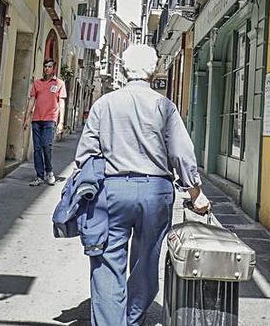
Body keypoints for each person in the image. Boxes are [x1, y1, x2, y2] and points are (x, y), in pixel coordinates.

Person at [75, 44, 210, 326]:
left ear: (124, 70)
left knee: (107, 261)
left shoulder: (104, 104)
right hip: (155, 191)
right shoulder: (164, 106)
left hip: (111, 190)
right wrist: (195, 194)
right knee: (147, 260)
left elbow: (85, 156)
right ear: (153, 71)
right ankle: (133, 319)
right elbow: (182, 154)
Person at [28, 59, 66, 186]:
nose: (47, 69)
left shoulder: (59, 83)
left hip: (50, 119)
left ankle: (49, 171)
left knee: (46, 146)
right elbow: (32, 100)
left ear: (53, 68)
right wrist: (26, 118)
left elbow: (61, 103)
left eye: (49, 67)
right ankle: (39, 176)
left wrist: (61, 123)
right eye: (45, 67)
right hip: (36, 119)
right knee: (37, 149)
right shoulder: (37, 83)